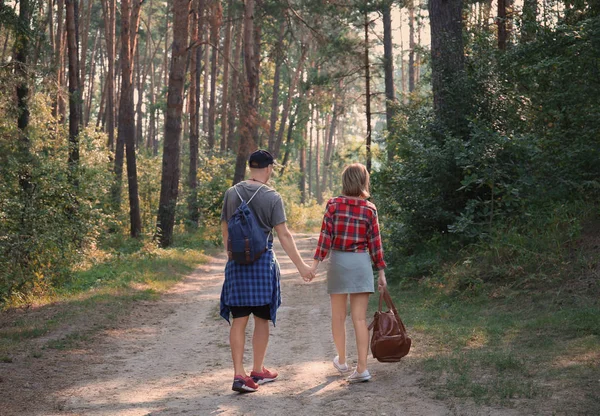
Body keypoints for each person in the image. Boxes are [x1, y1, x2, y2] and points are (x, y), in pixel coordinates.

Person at [220, 149, 314, 393]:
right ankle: (258, 370)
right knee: (262, 319)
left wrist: (231, 256)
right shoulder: (272, 196)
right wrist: (302, 266)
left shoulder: (232, 192)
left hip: (237, 264)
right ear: (269, 167)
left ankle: (239, 374)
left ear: (251, 167)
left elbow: (225, 229)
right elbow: (283, 234)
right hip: (262, 264)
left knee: (238, 320)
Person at [310, 163, 387, 383]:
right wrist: (381, 272)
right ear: (364, 181)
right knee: (359, 318)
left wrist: (314, 265)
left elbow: (325, 237)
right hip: (361, 263)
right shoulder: (370, 208)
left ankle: (342, 360)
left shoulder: (333, 204)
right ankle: (362, 368)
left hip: (339, 263)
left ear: (345, 181)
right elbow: (376, 243)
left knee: (338, 316)